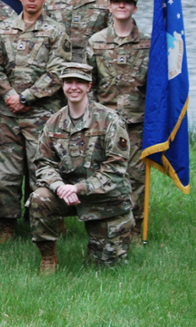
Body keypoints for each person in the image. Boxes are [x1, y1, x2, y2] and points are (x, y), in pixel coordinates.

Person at [0, 0, 71, 242]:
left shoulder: (55, 31)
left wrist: (27, 98)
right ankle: (7, 225)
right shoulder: (3, 28)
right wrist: (10, 94)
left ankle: (45, 222)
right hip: (8, 113)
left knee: (42, 170)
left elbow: (57, 72)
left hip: (42, 114)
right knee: (6, 172)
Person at [29, 62, 134, 273]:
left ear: (89, 86)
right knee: (39, 197)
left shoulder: (110, 121)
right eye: (69, 81)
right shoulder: (54, 122)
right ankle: (48, 257)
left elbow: (116, 168)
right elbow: (43, 163)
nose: (73, 87)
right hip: (67, 194)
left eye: (80, 82)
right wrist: (59, 186)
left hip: (106, 198)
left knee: (106, 268)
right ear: (62, 85)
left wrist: (79, 188)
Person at [85, 0, 150, 234]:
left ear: (134, 6)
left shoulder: (147, 43)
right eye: (116, 1)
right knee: (105, 174)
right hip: (105, 122)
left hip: (136, 122)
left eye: (127, 2)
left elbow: (155, 88)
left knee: (135, 176)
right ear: (109, 6)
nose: (121, 6)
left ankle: (135, 227)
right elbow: (89, 84)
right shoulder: (96, 42)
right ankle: (104, 224)